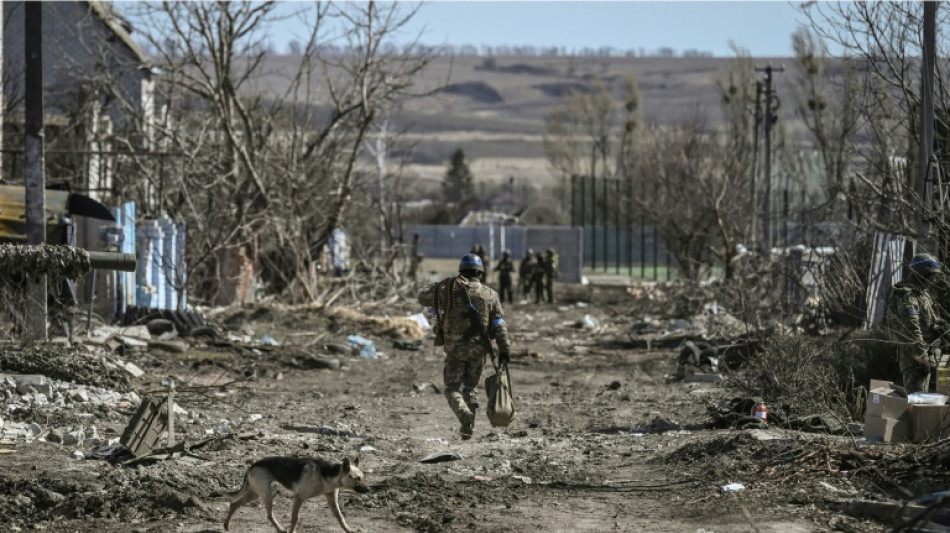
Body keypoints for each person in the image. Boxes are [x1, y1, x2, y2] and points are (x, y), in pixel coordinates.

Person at [417, 253, 512, 440]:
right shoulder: (490, 294)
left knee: (452, 388)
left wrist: (440, 284)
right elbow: (498, 324)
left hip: (455, 350)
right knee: (470, 387)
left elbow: (422, 297)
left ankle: (463, 414)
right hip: (478, 350)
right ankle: (468, 428)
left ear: (461, 271)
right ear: (480, 272)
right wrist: (505, 349)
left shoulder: (448, 289)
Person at [886, 253, 948, 393]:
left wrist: (941, 325)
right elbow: (912, 331)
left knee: (929, 404)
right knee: (917, 403)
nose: (933, 280)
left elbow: (930, 317)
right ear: (921, 274)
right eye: (931, 276)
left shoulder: (922, 293)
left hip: (928, 355)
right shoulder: (907, 296)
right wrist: (922, 359)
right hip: (915, 361)